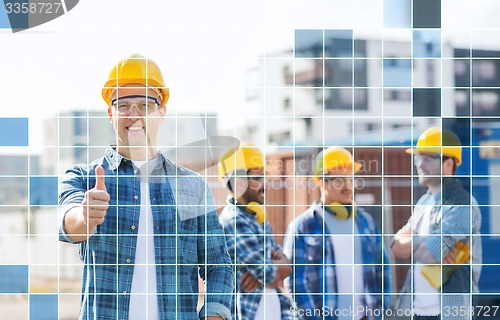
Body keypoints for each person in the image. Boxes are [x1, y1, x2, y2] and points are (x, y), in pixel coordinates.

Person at [58, 54, 234, 320]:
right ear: (110, 113)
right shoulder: (84, 178)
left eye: (144, 104)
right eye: (122, 105)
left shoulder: (192, 187)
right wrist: (84, 217)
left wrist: (215, 314)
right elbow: (66, 222)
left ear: (161, 112)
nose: (133, 114)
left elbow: (218, 265)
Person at [283, 146, 391, 320]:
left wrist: (378, 313)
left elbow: (383, 271)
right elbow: (296, 283)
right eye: (340, 180)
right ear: (321, 181)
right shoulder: (303, 227)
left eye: (351, 179)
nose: (348, 186)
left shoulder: (366, 223)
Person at [392, 127, 482, 320]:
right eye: (418, 158)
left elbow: (431, 254)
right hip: (416, 310)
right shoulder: (423, 202)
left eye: (427, 158)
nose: (420, 165)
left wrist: (414, 244)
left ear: (448, 163)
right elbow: (395, 248)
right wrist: (424, 242)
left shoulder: (461, 203)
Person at [218, 144, 293, 320]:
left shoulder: (257, 218)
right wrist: (273, 268)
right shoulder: (234, 222)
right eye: (258, 177)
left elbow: (287, 268)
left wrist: (273, 268)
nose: (265, 185)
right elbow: (269, 274)